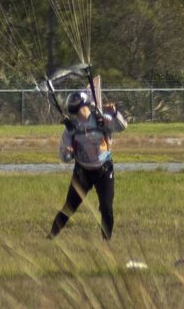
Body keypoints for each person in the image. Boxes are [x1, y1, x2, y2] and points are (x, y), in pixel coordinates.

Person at [48, 89, 127, 241]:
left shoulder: (100, 119)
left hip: (104, 170)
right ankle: (51, 238)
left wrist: (115, 112)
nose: (81, 111)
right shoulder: (70, 129)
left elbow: (121, 127)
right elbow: (64, 157)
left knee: (106, 208)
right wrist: (68, 152)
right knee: (69, 207)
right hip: (82, 173)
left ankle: (106, 242)